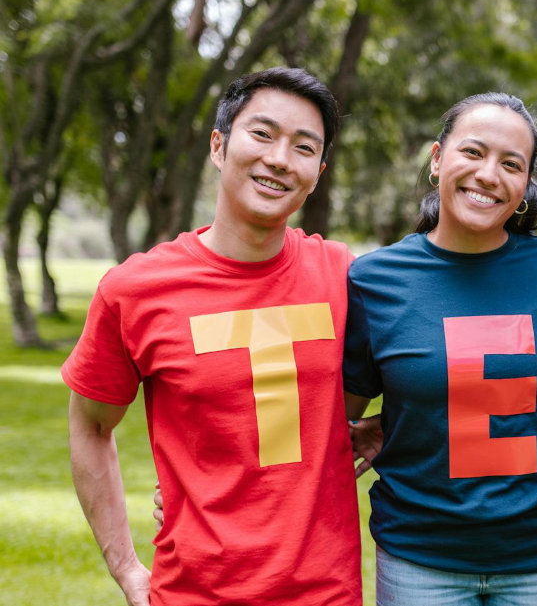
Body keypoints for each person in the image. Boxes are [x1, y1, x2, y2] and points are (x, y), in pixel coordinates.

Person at [64, 67, 362, 605]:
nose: (278, 158)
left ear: (318, 171)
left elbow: (442, 351)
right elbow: (89, 424)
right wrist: (128, 569)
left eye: (303, 146)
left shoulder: (345, 276)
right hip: (193, 593)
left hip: (326, 593)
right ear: (219, 146)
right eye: (263, 134)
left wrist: (386, 429)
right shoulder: (134, 291)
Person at [341, 92, 537, 605]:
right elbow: (333, 423)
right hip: (420, 558)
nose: (488, 174)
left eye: (511, 164)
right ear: (437, 160)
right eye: (473, 152)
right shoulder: (374, 280)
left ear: (524, 186)